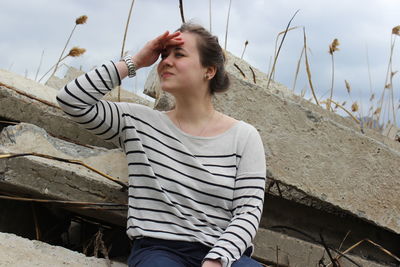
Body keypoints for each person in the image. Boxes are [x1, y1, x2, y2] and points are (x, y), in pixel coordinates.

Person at [57, 22, 266, 267]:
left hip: (223, 254)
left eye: (179, 54)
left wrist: (217, 260)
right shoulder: (136, 122)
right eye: (164, 55)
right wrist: (136, 61)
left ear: (209, 71)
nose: (166, 61)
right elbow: (71, 100)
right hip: (158, 251)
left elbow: (247, 212)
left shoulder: (244, 136)